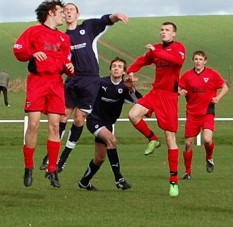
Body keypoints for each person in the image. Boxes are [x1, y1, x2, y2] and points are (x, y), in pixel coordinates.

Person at [40, 3, 129, 172]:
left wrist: (116, 15)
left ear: (77, 14)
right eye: (65, 11)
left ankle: (63, 160)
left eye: (71, 10)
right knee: (62, 118)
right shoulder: (62, 37)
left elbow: (105, 20)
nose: (68, 13)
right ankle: (50, 156)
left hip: (90, 80)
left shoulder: (87, 27)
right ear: (63, 15)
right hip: (72, 80)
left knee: (79, 120)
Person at [13, 0, 74, 188]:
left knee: (55, 126)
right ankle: (28, 167)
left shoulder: (64, 38)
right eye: (61, 11)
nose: (64, 14)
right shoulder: (33, 31)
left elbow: (67, 63)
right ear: (51, 13)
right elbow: (18, 50)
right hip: (38, 82)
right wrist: (32, 54)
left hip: (56, 83)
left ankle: (52, 169)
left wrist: (69, 68)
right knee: (33, 125)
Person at [126, 22, 186, 197]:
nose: (163, 32)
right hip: (156, 92)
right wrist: (131, 70)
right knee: (133, 114)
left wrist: (156, 51)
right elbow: (143, 60)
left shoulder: (178, 48)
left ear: (174, 34)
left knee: (170, 138)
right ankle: (152, 139)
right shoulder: (157, 49)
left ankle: (174, 181)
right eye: (162, 30)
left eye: (167, 30)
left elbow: (176, 60)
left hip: (169, 97)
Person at [78, 57, 141, 191]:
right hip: (94, 120)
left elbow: (140, 102)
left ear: (124, 72)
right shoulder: (101, 82)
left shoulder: (125, 87)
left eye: (119, 66)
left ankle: (84, 182)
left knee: (100, 158)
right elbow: (86, 91)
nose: (116, 68)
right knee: (112, 140)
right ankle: (119, 179)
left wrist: (132, 89)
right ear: (110, 69)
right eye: (114, 66)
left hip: (108, 124)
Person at [178, 50, 228, 179]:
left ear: (205, 61)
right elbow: (178, 87)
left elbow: (225, 87)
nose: (198, 61)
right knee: (188, 143)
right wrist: (180, 91)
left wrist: (218, 98)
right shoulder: (187, 75)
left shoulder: (212, 74)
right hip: (192, 113)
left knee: (207, 139)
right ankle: (187, 172)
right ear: (193, 61)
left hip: (207, 112)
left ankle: (209, 157)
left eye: (200, 59)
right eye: (196, 59)